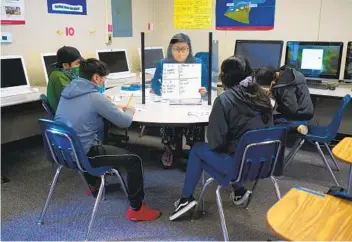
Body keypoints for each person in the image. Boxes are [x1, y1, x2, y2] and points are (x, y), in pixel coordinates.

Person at [55, 58, 160, 221]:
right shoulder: (94, 97)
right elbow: (125, 122)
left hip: (63, 151)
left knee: (102, 139)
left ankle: (93, 183)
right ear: (96, 78)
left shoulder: (69, 90)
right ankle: (136, 208)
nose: (104, 82)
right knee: (134, 160)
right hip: (83, 155)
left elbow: (85, 109)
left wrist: (107, 105)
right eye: (104, 78)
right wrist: (130, 110)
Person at [169, 56, 273, 221]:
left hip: (238, 167)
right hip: (264, 163)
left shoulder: (224, 100)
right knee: (229, 150)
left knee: (198, 150)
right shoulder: (263, 96)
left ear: (225, 78)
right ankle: (239, 191)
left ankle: (185, 199)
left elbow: (216, 143)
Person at [151, 33, 209, 168]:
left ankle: (194, 152)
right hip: (170, 102)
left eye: (184, 49)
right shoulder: (163, 63)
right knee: (167, 123)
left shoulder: (198, 63)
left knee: (194, 125)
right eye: (177, 49)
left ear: (189, 49)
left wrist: (203, 90)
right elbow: (155, 83)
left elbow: (205, 84)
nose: (181, 52)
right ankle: (170, 150)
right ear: (171, 49)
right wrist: (163, 91)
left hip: (191, 103)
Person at [255, 65, 314, 134]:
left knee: (266, 123)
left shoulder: (283, 87)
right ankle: (298, 127)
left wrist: (272, 94)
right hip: (306, 115)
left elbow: (292, 110)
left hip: (298, 118)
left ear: (272, 81)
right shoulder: (289, 73)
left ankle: (296, 127)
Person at [47, 46, 82, 112]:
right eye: (77, 63)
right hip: (67, 116)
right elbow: (73, 98)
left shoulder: (67, 74)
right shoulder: (58, 77)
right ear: (65, 65)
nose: (79, 66)